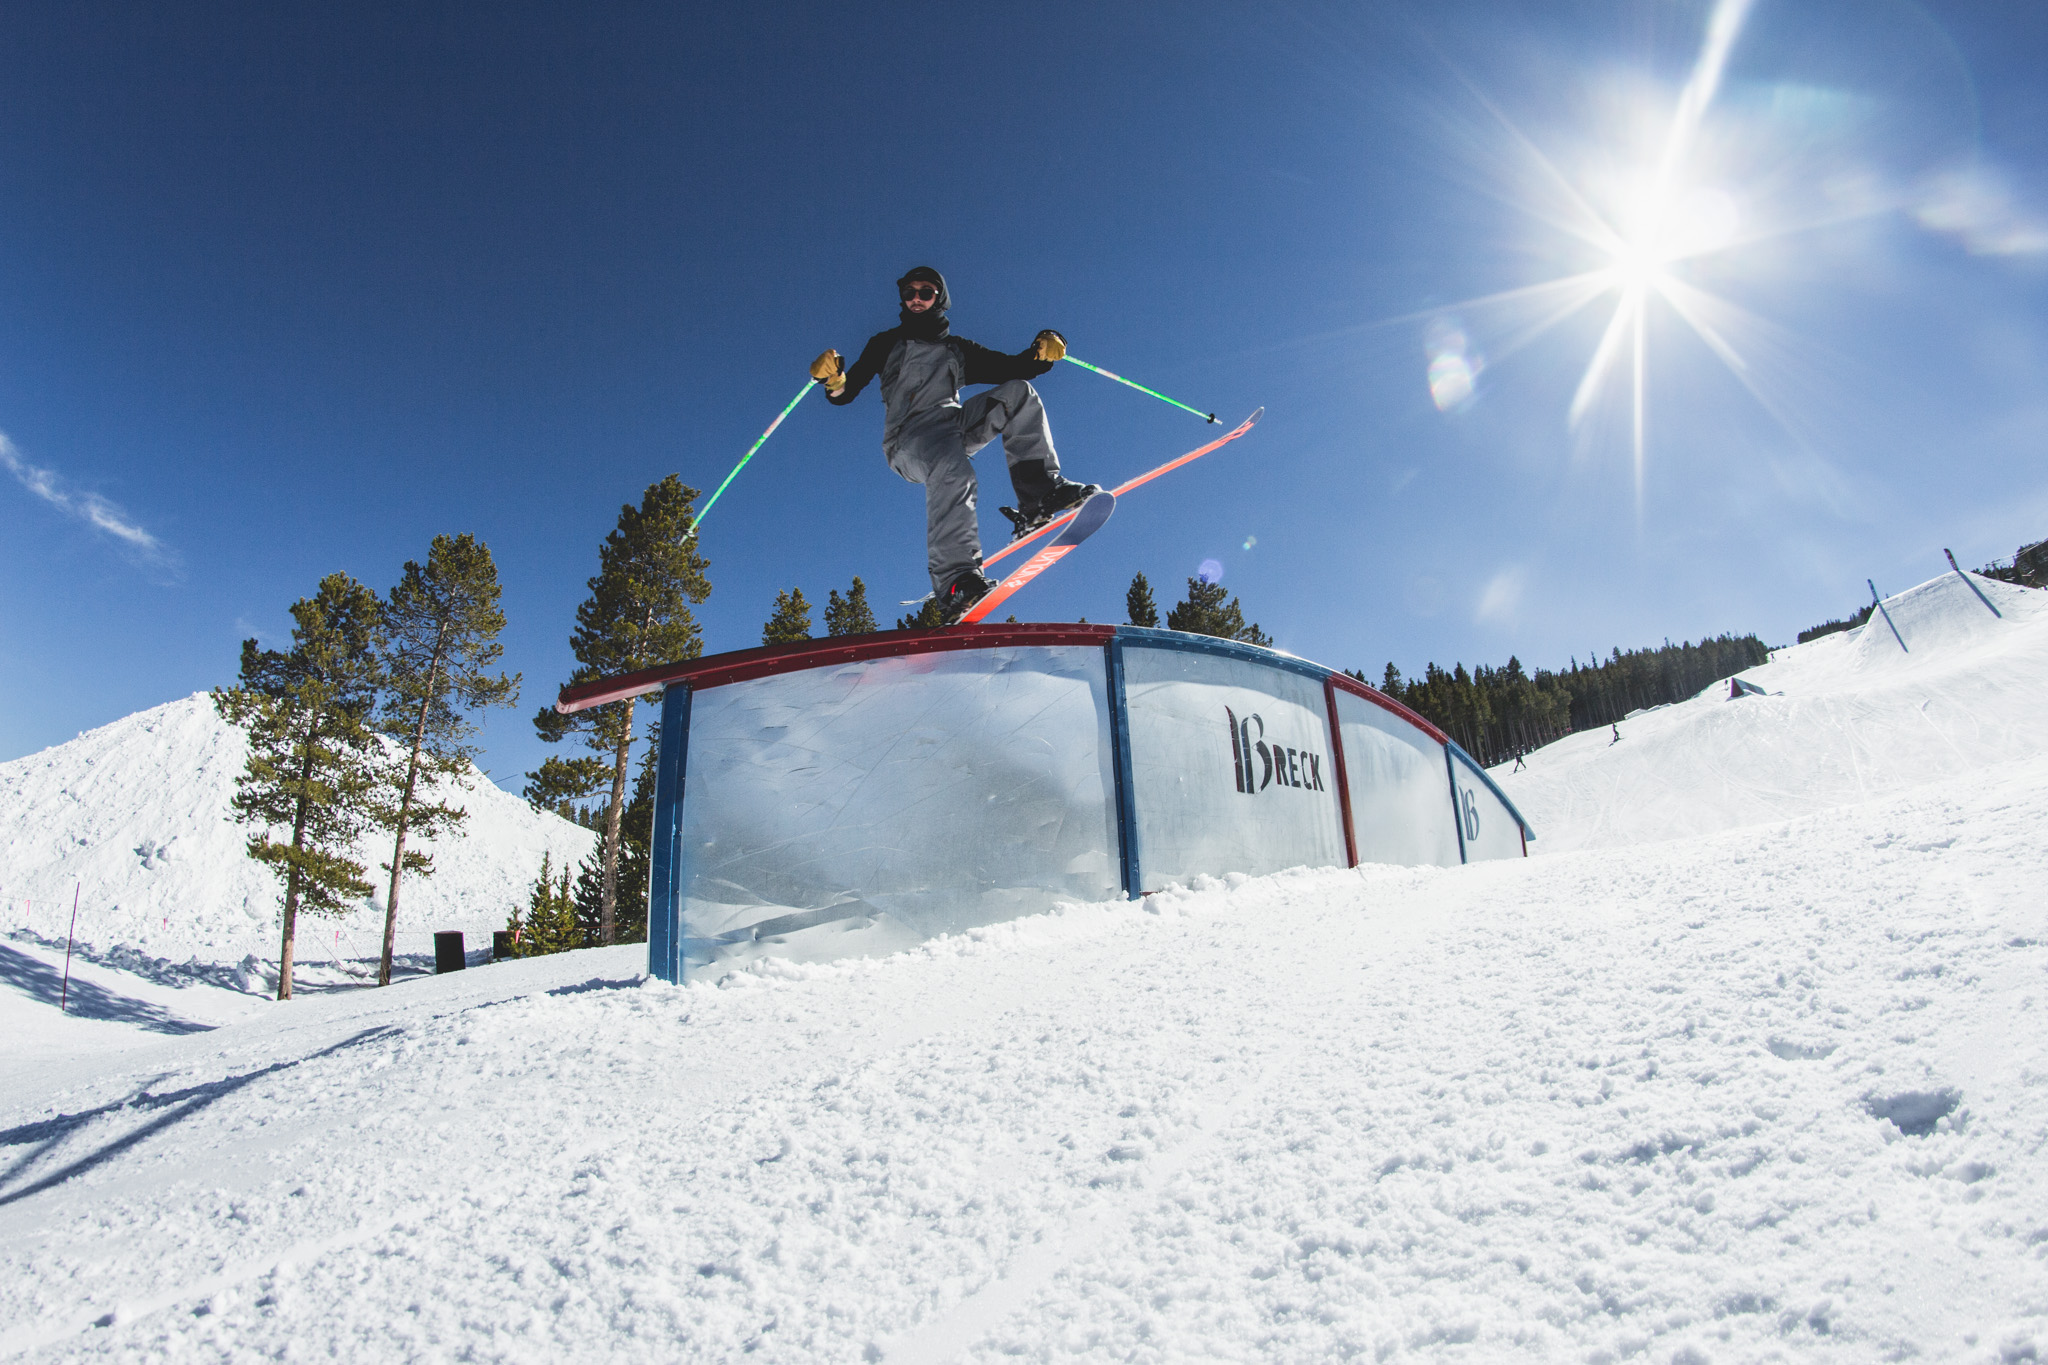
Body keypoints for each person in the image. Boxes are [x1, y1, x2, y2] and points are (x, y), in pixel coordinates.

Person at [811, 267, 1098, 623]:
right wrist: (833, 380)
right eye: (909, 293)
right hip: (909, 439)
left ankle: (1039, 495)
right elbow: (846, 391)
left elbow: (1009, 367)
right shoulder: (885, 344)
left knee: (1018, 394)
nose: (916, 299)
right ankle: (956, 582)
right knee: (953, 469)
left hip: (953, 426)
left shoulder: (956, 349)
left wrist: (1040, 354)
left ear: (939, 300)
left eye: (925, 293)